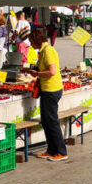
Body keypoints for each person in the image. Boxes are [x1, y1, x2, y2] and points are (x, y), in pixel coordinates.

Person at [28, 28, 67, 162]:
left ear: (36, 40)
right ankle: (51, 149)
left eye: (31, 41)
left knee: (52, 121)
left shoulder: (48, 51)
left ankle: (61, 151)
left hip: (52, 89)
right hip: (46, 89)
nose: (31, 45)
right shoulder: (43, 51)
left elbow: (52, 72)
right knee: (46, 121)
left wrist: (37, 74)